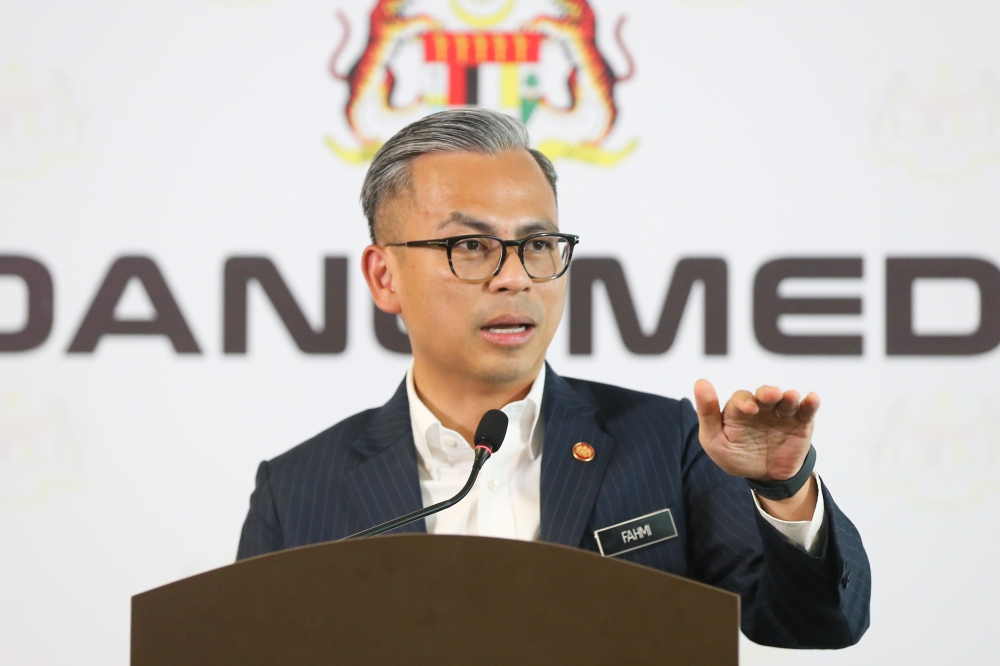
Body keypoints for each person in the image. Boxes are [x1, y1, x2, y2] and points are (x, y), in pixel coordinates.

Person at [237, 108, 870, 648]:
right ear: (384, 277)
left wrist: (787, 490)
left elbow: (815, 623)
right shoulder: (297, 492)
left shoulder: (664, 442)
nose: (516, 276)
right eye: (471, 246)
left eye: (538, 244)